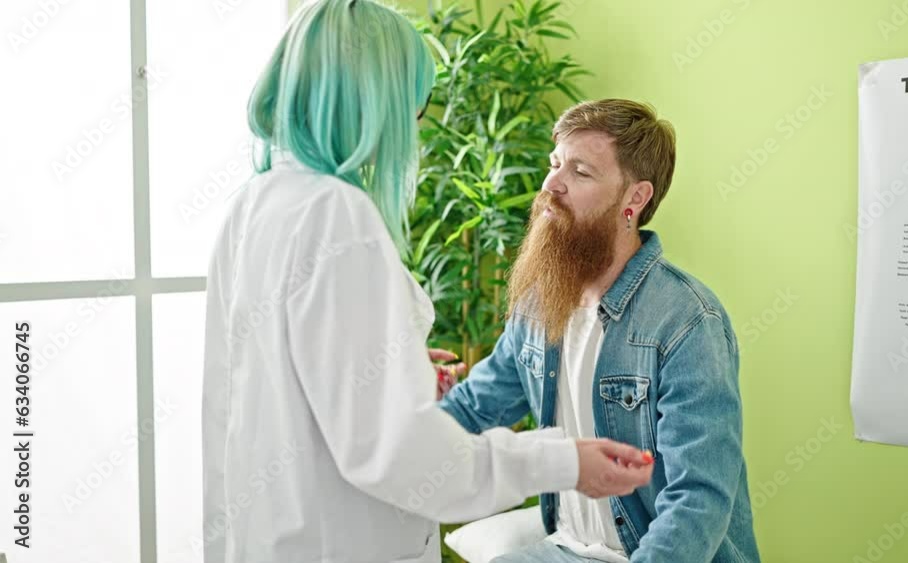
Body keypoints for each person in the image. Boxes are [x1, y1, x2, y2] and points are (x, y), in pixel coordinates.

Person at [200, 2, 653, 563]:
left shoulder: (254, 204)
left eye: (579, 170)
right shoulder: (338, 216)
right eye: (412, 112)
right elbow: (401, 456)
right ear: (375, 105)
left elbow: (283, 390)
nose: (552, 184)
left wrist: (399, 371)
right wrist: (565, 462)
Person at [438, 99, 761, 563]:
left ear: (635, 198)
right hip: (566, 549)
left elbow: (698, 501)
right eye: (554, 164)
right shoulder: (538, 304)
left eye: (580, 172)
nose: (552, 185)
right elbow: (472, 409)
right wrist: (400, 435)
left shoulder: (688, 322)